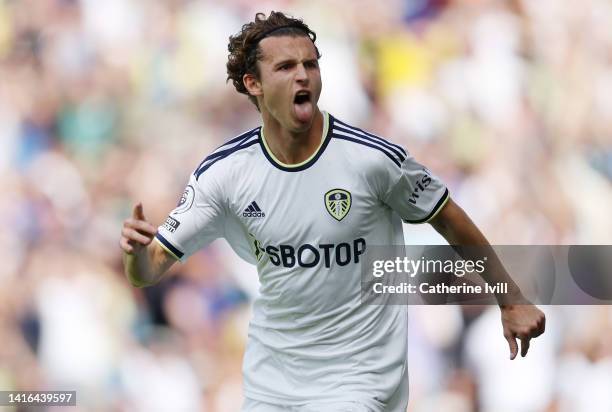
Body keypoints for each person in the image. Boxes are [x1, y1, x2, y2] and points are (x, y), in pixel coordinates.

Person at [120, 11, 545, 412]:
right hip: (273, 383)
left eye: (311, 64)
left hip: (358, 379)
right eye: (285, 67)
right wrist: (136, 254)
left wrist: (510, 300)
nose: (303, 74)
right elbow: (147, 271)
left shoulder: (372, 161)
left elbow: (448, 215)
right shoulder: (224, 175)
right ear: (253, 83)